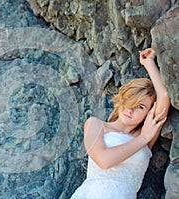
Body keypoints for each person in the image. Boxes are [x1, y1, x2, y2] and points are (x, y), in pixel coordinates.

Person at [70, 48, 170, 199]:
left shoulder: (147, 132)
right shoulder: (96, 125)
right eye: (130, 100)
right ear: (122, 99)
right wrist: (143, 139)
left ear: (147, 113)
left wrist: (148, 63)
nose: (131, 109)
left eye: (140, 107)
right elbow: (104, 161)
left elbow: (164, 95)